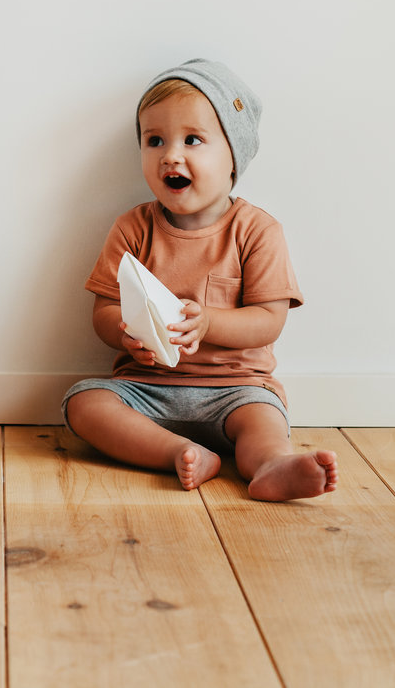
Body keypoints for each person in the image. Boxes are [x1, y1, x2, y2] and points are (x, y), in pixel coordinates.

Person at [63, 60, 337, 501]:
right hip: (147, 388)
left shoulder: (256, 230)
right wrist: (125, 333)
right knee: (83, 401)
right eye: (154, 140)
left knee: (263, 420)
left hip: (235, 388)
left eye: (192, 139)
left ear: (234, 155)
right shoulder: (133, 228)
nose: (171, 154)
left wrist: (209, 323)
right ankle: (180, 451)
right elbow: (103, 312)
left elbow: (269, 321)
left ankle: (271, 464)